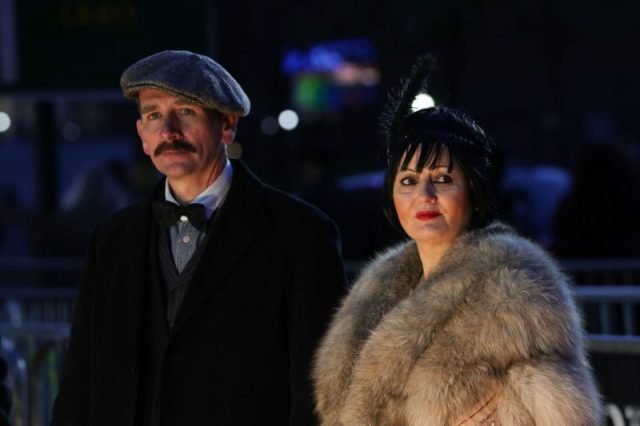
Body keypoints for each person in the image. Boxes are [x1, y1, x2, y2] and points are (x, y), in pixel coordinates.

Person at [50, 50, 346, 426]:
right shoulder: (111, 239)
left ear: (227, 125)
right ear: (142, 135)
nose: (168, 131)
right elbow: (80, 380)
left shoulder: (301, 234)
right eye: (154, 115)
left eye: (186, 111)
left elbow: (318, 390)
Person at [313, 55, 601, 425]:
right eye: (408, 181)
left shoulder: (517, 294)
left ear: (474, 191)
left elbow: (562, 411)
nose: (425, 195)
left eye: (444, 179)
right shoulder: (373, 293)